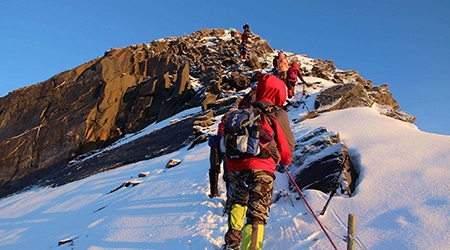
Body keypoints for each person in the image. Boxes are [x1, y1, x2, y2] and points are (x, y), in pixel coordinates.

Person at [221, 73, 295, 250]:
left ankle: (232, 242)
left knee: (238, 202)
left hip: (235, 165)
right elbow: (287, 147)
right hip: (262, 167)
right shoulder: (276, 114)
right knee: (257, 214)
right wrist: (285, 161)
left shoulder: (243, 112)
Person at [208, 117, 230, 198]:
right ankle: (229, 194)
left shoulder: (222, 124)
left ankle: (214, 192)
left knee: (214, 169)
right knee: (229, 172)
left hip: (217, 148)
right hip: (228, 149)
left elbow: (220, 133)